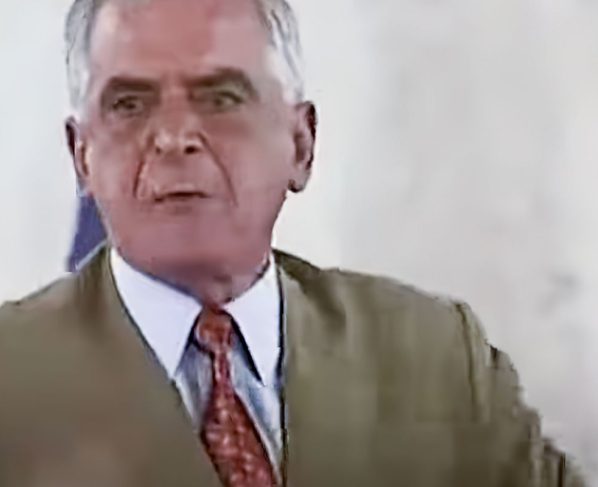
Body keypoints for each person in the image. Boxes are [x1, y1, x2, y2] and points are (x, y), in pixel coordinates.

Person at [0, 0, 585, 485]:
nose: (174, 136)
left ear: (301, 145)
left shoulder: (439, 361)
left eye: (221, 97)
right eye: (129, 104)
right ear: (81, 157)